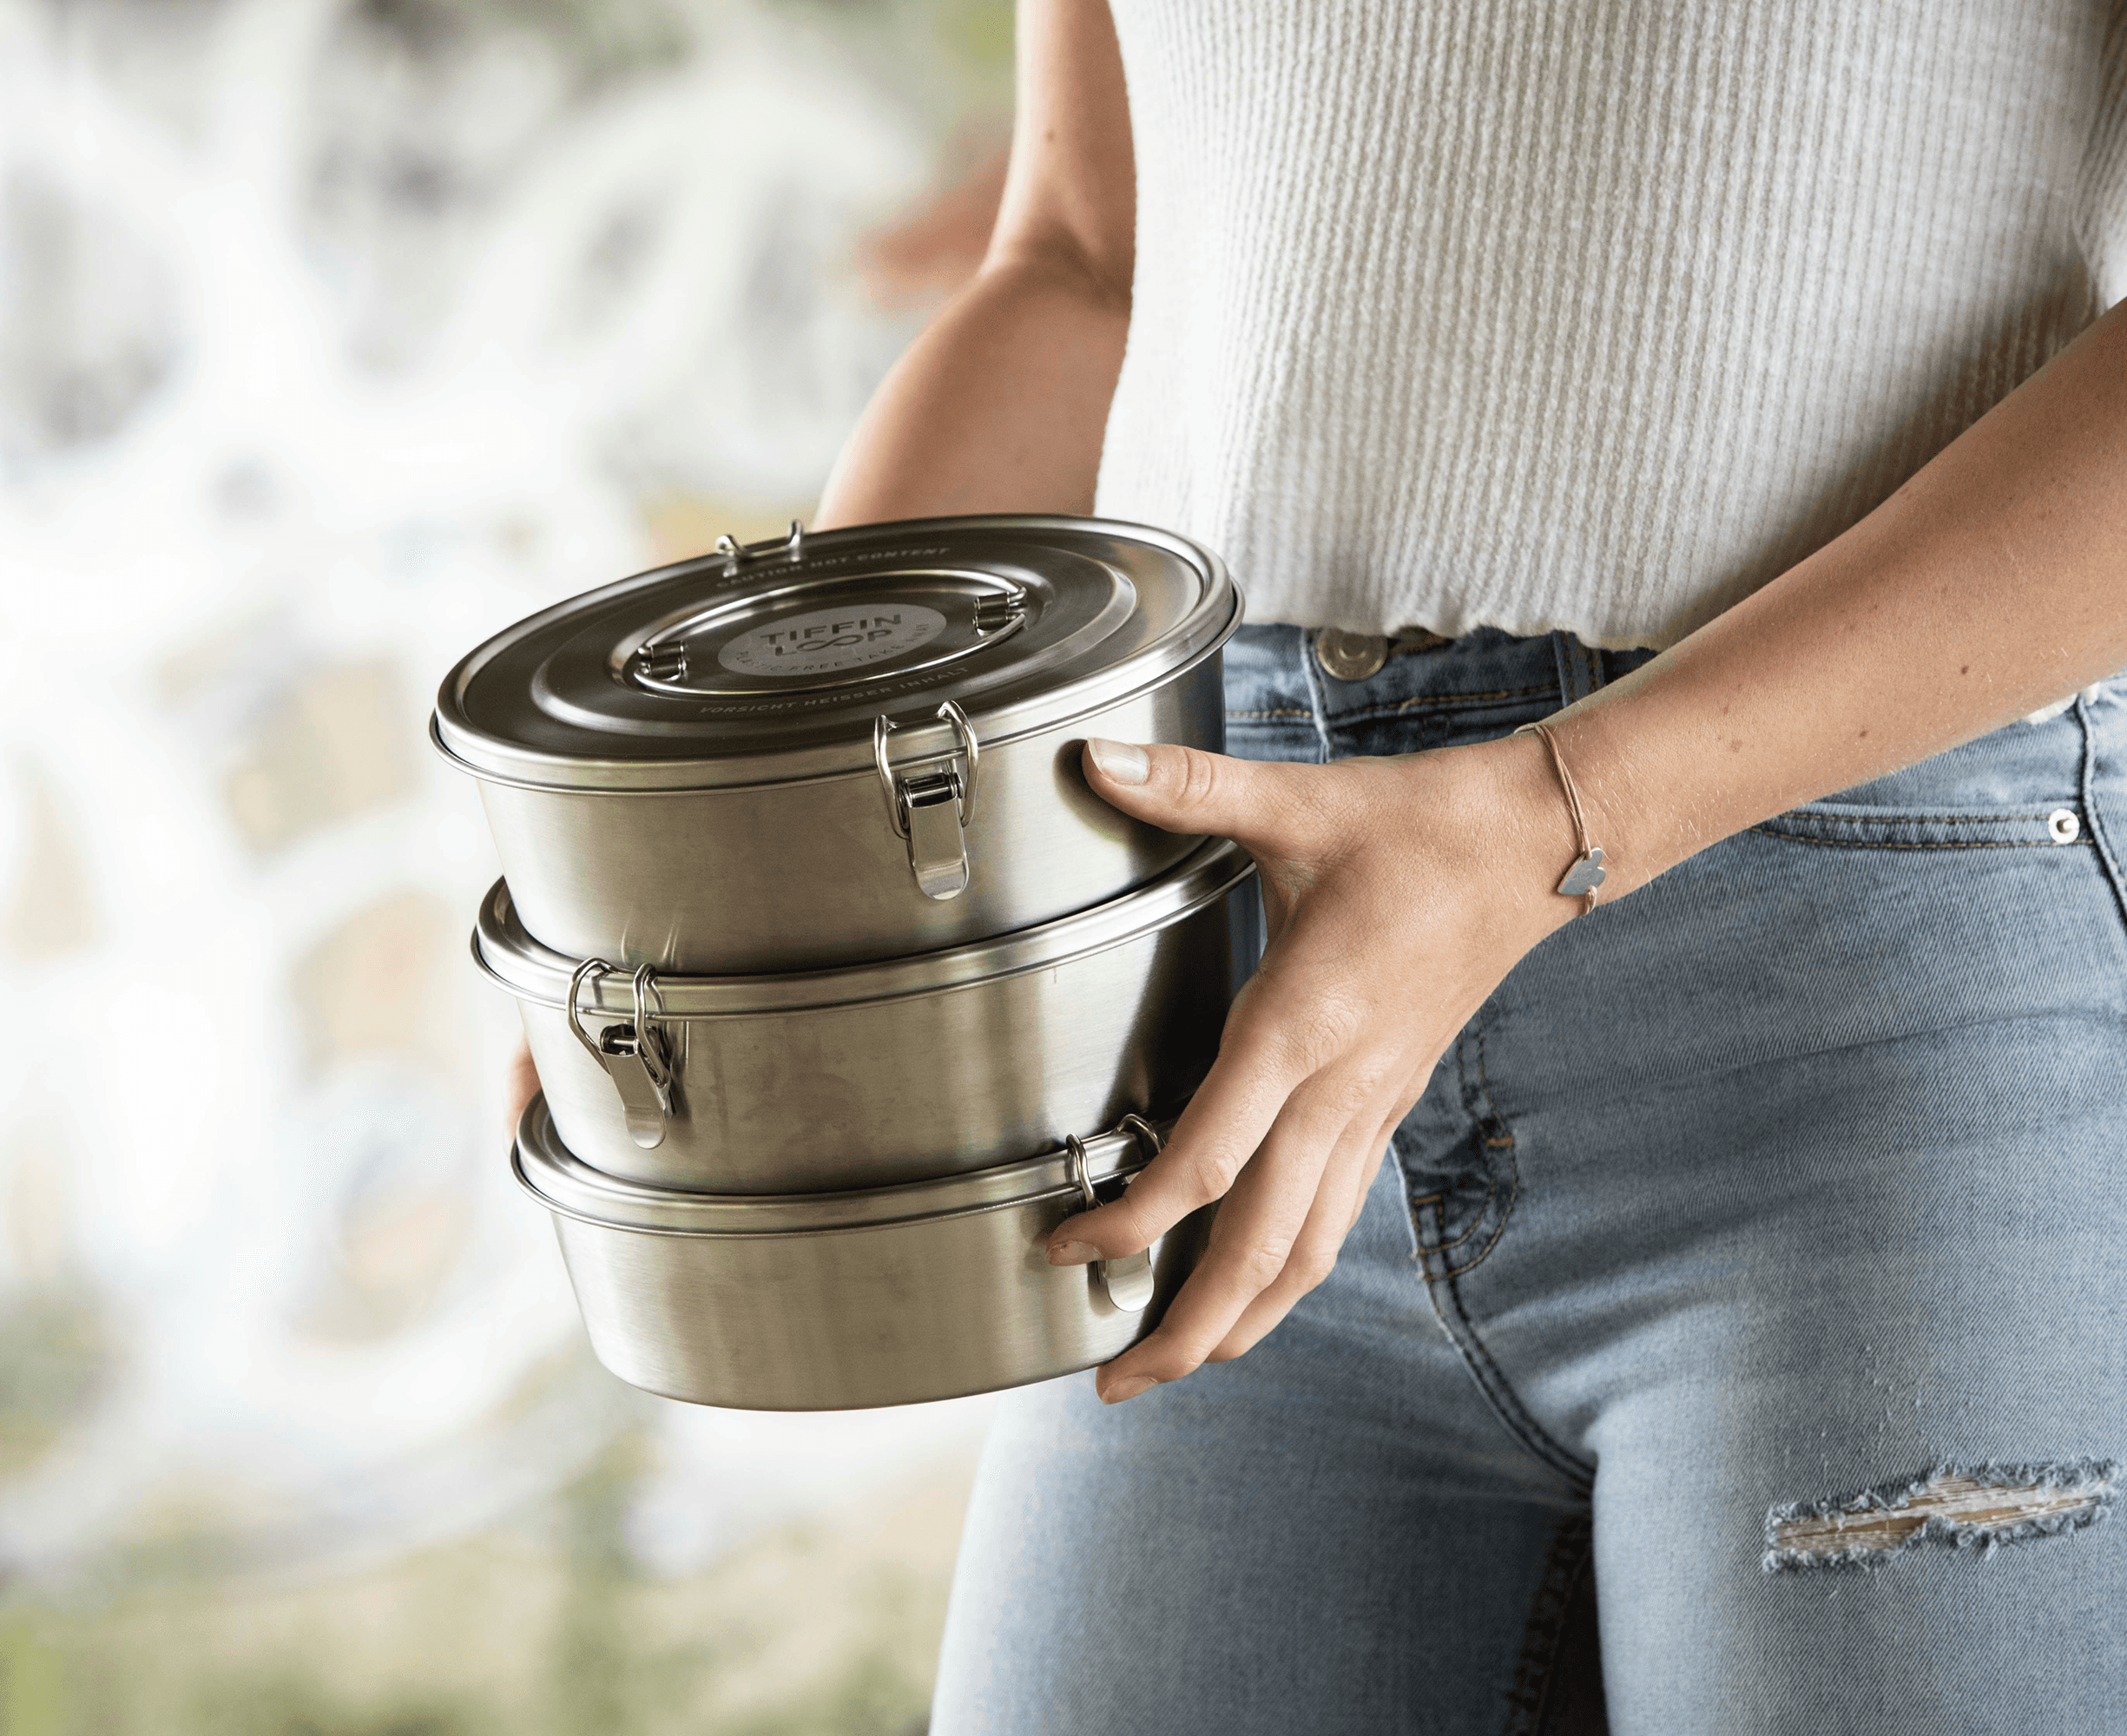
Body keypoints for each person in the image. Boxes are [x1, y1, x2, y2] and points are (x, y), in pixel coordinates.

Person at [807, 2, 2127, 1730]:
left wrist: (1546, 813)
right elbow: (1081, 262)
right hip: (1237, 1014)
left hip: (1865, 1028)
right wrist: (756, 841)